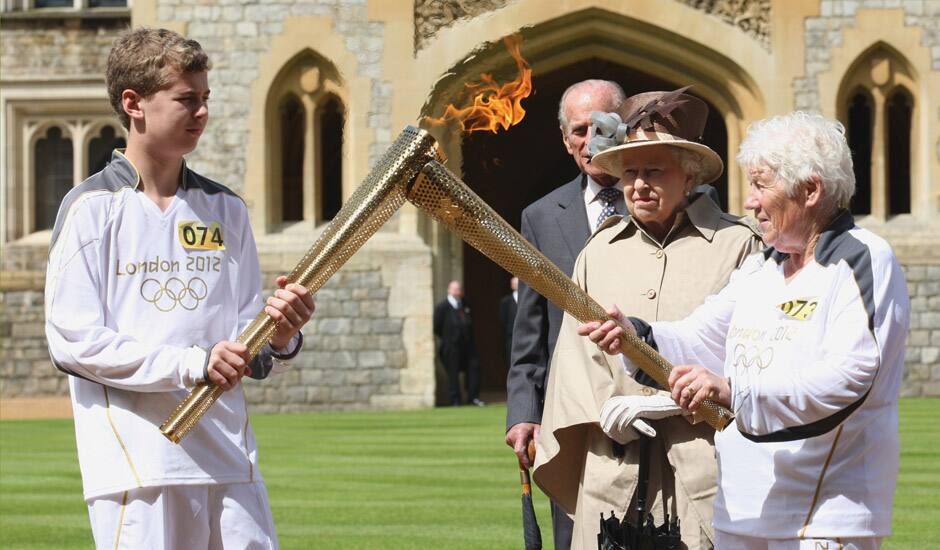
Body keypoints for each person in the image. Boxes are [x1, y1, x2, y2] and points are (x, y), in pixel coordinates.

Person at [582, 112, 909, 549]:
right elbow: (701, 337)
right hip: (741, 509)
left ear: (810, 190)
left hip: (823, 515)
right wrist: (637, 336)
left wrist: (733, 391)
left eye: (761, 185)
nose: (750, 202)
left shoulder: (863, 258)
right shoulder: (764, 266)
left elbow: (850, 378)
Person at [44, 28, 315, 549]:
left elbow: (246, 347)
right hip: (137, 463)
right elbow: (73, 340)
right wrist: (191, 363)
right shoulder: (90, 210)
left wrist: (279, 335)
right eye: (187, 99)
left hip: (230, 458)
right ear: (134, 104)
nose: (202, 112)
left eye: (205, 99)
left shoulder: (226, 209)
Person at [532, 89, 763, 549]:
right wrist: (605, 412)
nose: (638, 185)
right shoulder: (597, 252)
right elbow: (575, 361)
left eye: (653, 171)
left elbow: (753, 357)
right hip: (613, 470)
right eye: (629, 172)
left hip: (704, 468)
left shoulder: (740, 245)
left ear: (690, 174)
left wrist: (668, 402)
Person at [505, 79, 627, 549]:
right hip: (571, 416)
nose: (590, 140)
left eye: (602, 126)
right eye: (579, 129)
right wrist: (523, 413)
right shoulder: (540, 216)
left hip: (651, 408)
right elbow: (530, 331)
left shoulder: (665, 203)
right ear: (564, 138)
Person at [433, 280, 484, 406]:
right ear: (449, 290)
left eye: (458, 289)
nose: (457, 292)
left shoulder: (466, 304)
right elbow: (437, 327)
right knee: (453, 373)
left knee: (474, 368)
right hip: (451, 347)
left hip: (467, 346)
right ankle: (455, 400)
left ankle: (473, 398)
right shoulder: (442, 307)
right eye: (454, 289)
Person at [498, 276, 519, 365]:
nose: (516, 285)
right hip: (511, 335)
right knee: (511, 360)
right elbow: (503, 318)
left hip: (524, 333)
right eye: (514, 283)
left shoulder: (525, 300)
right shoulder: (505, 301)